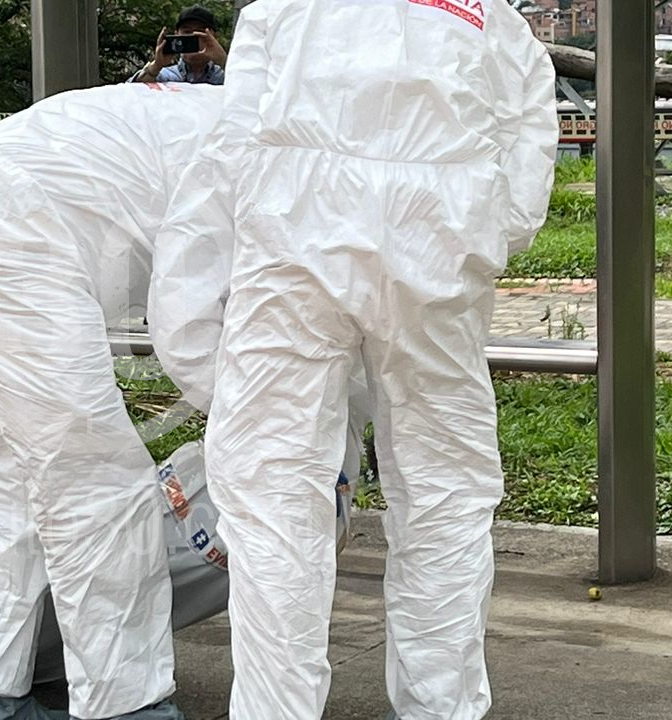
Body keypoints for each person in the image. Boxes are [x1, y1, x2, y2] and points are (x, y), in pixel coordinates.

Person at [164, 0, 559, 718]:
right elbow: (528, 138)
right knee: (444, 488)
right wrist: (485, 233)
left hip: (295, 228)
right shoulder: (491, 17)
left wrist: (212, 300)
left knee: (276, 490)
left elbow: (232, 140)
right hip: (441, 231)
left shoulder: (282, 9)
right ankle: (443, 708)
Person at [0, 82, 225, 720]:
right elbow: (189, 328)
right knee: (98, 487)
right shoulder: (268, 158)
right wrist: (258, 421)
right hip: (8, 234)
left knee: (12, 481)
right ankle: (128, 707)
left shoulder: (225, 117)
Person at [131, 5, 227, 85]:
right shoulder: (164, 76)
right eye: (187, 32)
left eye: (200, 32)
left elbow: (241, 94)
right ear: (176, 35)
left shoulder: (227, 76)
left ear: (214, 37)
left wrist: (225, 61)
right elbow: (131, 94)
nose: (192, 37)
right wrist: (156, 65)